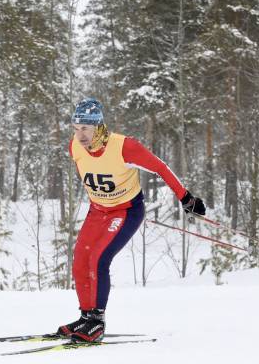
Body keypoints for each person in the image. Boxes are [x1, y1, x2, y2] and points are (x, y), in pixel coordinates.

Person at [56, 97, 207, 342]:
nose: (80, 135)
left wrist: (186, 198)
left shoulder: (124, 146)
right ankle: (86, 317)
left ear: (98, 126)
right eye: (76, 128)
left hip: (125, 212)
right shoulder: (75, 146)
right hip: (98, 211)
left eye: (85, 128)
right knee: (81, 260)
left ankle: (97, 321)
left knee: (98, 258)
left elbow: (160, 167)